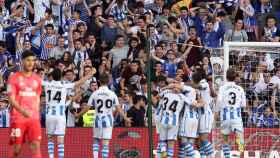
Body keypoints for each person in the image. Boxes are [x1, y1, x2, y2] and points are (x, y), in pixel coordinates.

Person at [76, 73, 131, 158]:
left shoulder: (95, 93)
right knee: (105, 143)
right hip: (108, 121)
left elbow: (87, 108)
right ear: (108, 81)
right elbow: (119, 108)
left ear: (99, 81)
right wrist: (125, 118)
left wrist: (78, 115)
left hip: (97, 119)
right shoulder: (112, 94)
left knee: (96, 140)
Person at [43, 68, 92, 158]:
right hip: (60, 116)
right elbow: (79, 82)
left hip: (49, 115)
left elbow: (36, 80)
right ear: (61, 77)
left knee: (50, 138)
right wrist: (90, 74)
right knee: (60, 139)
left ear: (52, 77)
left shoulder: (47, 84)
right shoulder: (65, 86)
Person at [7, 50, 42, 158]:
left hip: (33, 119)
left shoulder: (37, 79)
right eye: (28, 60)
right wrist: (23, 111)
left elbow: (37, 97)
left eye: (33, 60)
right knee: (16, 150)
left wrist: (36, 113)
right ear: (22, 61)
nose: (31, 63)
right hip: (18, 118)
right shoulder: (13, 78)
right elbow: (11, 100)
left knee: (36, 146)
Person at [216, 68, 246, 158]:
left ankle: (227, 157)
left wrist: (217, 112)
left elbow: (219, 102)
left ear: (226, 77)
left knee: (225, 140)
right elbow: (243, 105)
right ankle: (241, 156)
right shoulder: (240, 89)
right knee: (240, 139)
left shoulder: (222, 88)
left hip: (225, 116)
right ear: (235, 77)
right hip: (236, 116)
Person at [157, 84, 186, 158]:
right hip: (173, 122)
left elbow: (158, 96)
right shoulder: (182, 96)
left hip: (163, 120)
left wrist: (167, 87)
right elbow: (193, 103)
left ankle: (163, 155)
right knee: (170, 144)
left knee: (162, 141)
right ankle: (167, 156)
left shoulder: (166, 92)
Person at [192, 70, 215, 158]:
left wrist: (184, 85)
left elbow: (199, 86)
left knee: (203, 139)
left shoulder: (204, 83)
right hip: (199, 115)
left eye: (192, 79)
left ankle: (212, 156)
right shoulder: (197, 85)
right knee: (197, 141)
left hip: (205, 113)